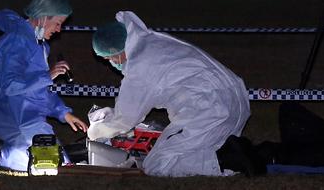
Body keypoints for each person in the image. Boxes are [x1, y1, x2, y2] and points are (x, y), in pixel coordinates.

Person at [87, 11, 253, 177]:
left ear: (117, 50)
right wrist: (111, 114)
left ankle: (227, 162)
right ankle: (249, 153)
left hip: (207, 109)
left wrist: (95, 131)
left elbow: (126, 118)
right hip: (234, 100)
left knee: (158, 163)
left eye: (110, 58)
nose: (111, 63)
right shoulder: (151, 43)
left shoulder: (140, 65)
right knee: (201, 147)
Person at [0, 0, 88, 172]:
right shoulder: (17, 41)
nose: (59, 30)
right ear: (42, 18)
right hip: (9, 116)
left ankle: (0, 146)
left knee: (58, 162)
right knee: (45, 165)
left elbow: (40, 91)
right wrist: (47, 76)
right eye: (58, 23)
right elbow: (9, 85)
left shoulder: (38, 45)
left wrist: (64, 114)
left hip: (28, 118)